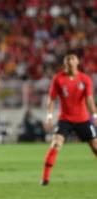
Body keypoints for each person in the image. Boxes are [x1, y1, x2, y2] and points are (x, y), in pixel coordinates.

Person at [41, 53, 97, 185]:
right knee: (55, 144)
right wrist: (49, 116)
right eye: (68, 59)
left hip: (82, 119)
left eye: (73, 59)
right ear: (64, 63)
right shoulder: (58, 79)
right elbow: (51, 99)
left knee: (95, 147)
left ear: (77, 62)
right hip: (65, 119)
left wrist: (94, 115)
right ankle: (45, 178)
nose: (70, 61)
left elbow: (89, 99)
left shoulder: (85, 79)